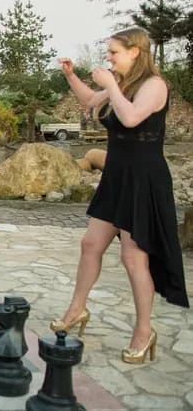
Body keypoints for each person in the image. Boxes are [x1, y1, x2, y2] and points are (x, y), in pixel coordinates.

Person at [52, 27, 189, 364]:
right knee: (90, 245)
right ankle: (76, 309)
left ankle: (144, 331)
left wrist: (111, 85)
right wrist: (71, 75)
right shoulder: (122, 84)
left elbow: (130, 118)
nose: (109, 58)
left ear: (135, 52)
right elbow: (89, 100)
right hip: (117, 176)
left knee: (133, 258)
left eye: (114, 52)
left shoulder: (154, 85)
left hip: (144, 180)